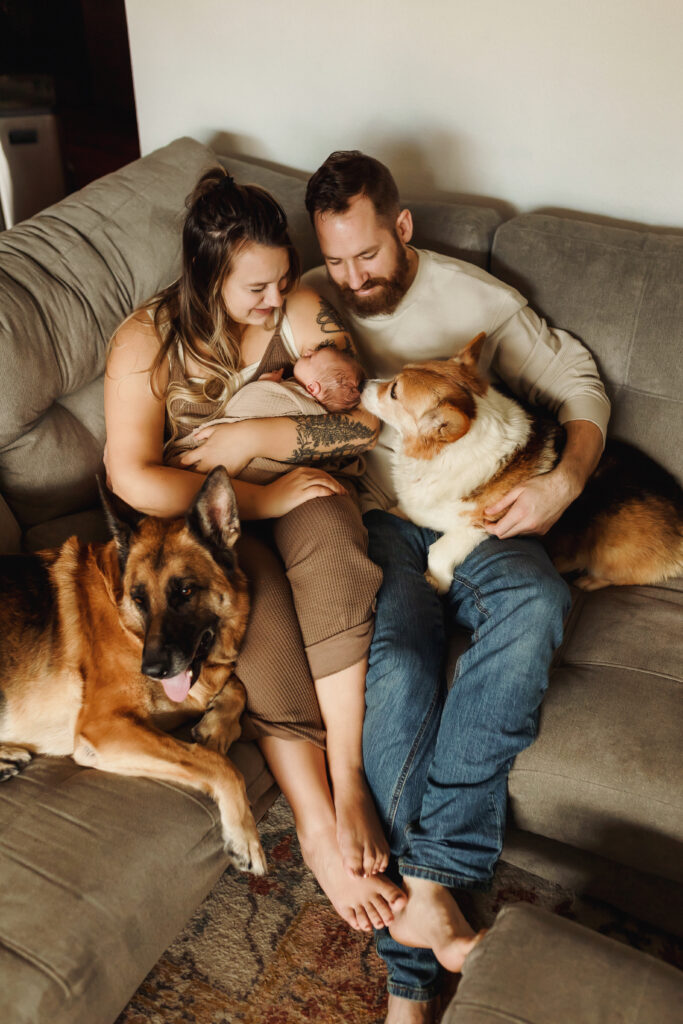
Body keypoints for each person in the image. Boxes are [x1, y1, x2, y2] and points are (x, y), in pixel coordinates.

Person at [302, 151, 611, 1024]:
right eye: (336, 261)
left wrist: (565, 481)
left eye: (367, 255)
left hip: (472, 513)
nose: (354, 280)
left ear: (401, 228)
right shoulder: (309, 301)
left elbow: (578, 382)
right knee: (395, 661)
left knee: (539, 601)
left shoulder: (477, 299)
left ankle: (422, 914)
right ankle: (420, 955)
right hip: (383, 525)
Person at [104, 167, 409, 934]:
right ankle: (314, 824)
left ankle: (347, 780)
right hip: (210, 522)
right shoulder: (146, 343)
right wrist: (257, 494)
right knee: (255, 610)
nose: (277, 300)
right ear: (207, 280)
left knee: (334, 537)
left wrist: (252, 439)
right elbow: (132, 477)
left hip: (302, 487)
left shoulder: (302, 306)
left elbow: (363, 427)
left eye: (281, 280)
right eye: (256, 289)